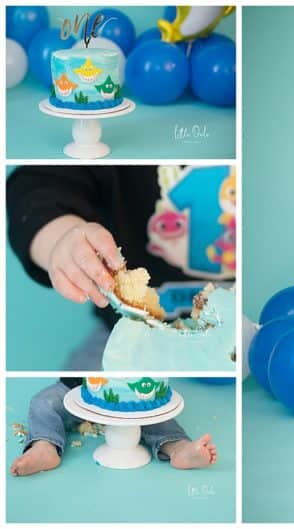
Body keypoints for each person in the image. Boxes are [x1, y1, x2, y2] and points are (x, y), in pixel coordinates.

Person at [7, 165, 237, 369]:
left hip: (251, 336)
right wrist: (64, 239)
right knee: (71, 401)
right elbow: (38, 186)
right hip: (126, 338)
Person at [10, 377, 217, 477]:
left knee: (155, 416)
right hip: (77, 388)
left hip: (133, 394)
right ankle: (44, 446)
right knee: (42, 403)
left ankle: (179, 449)